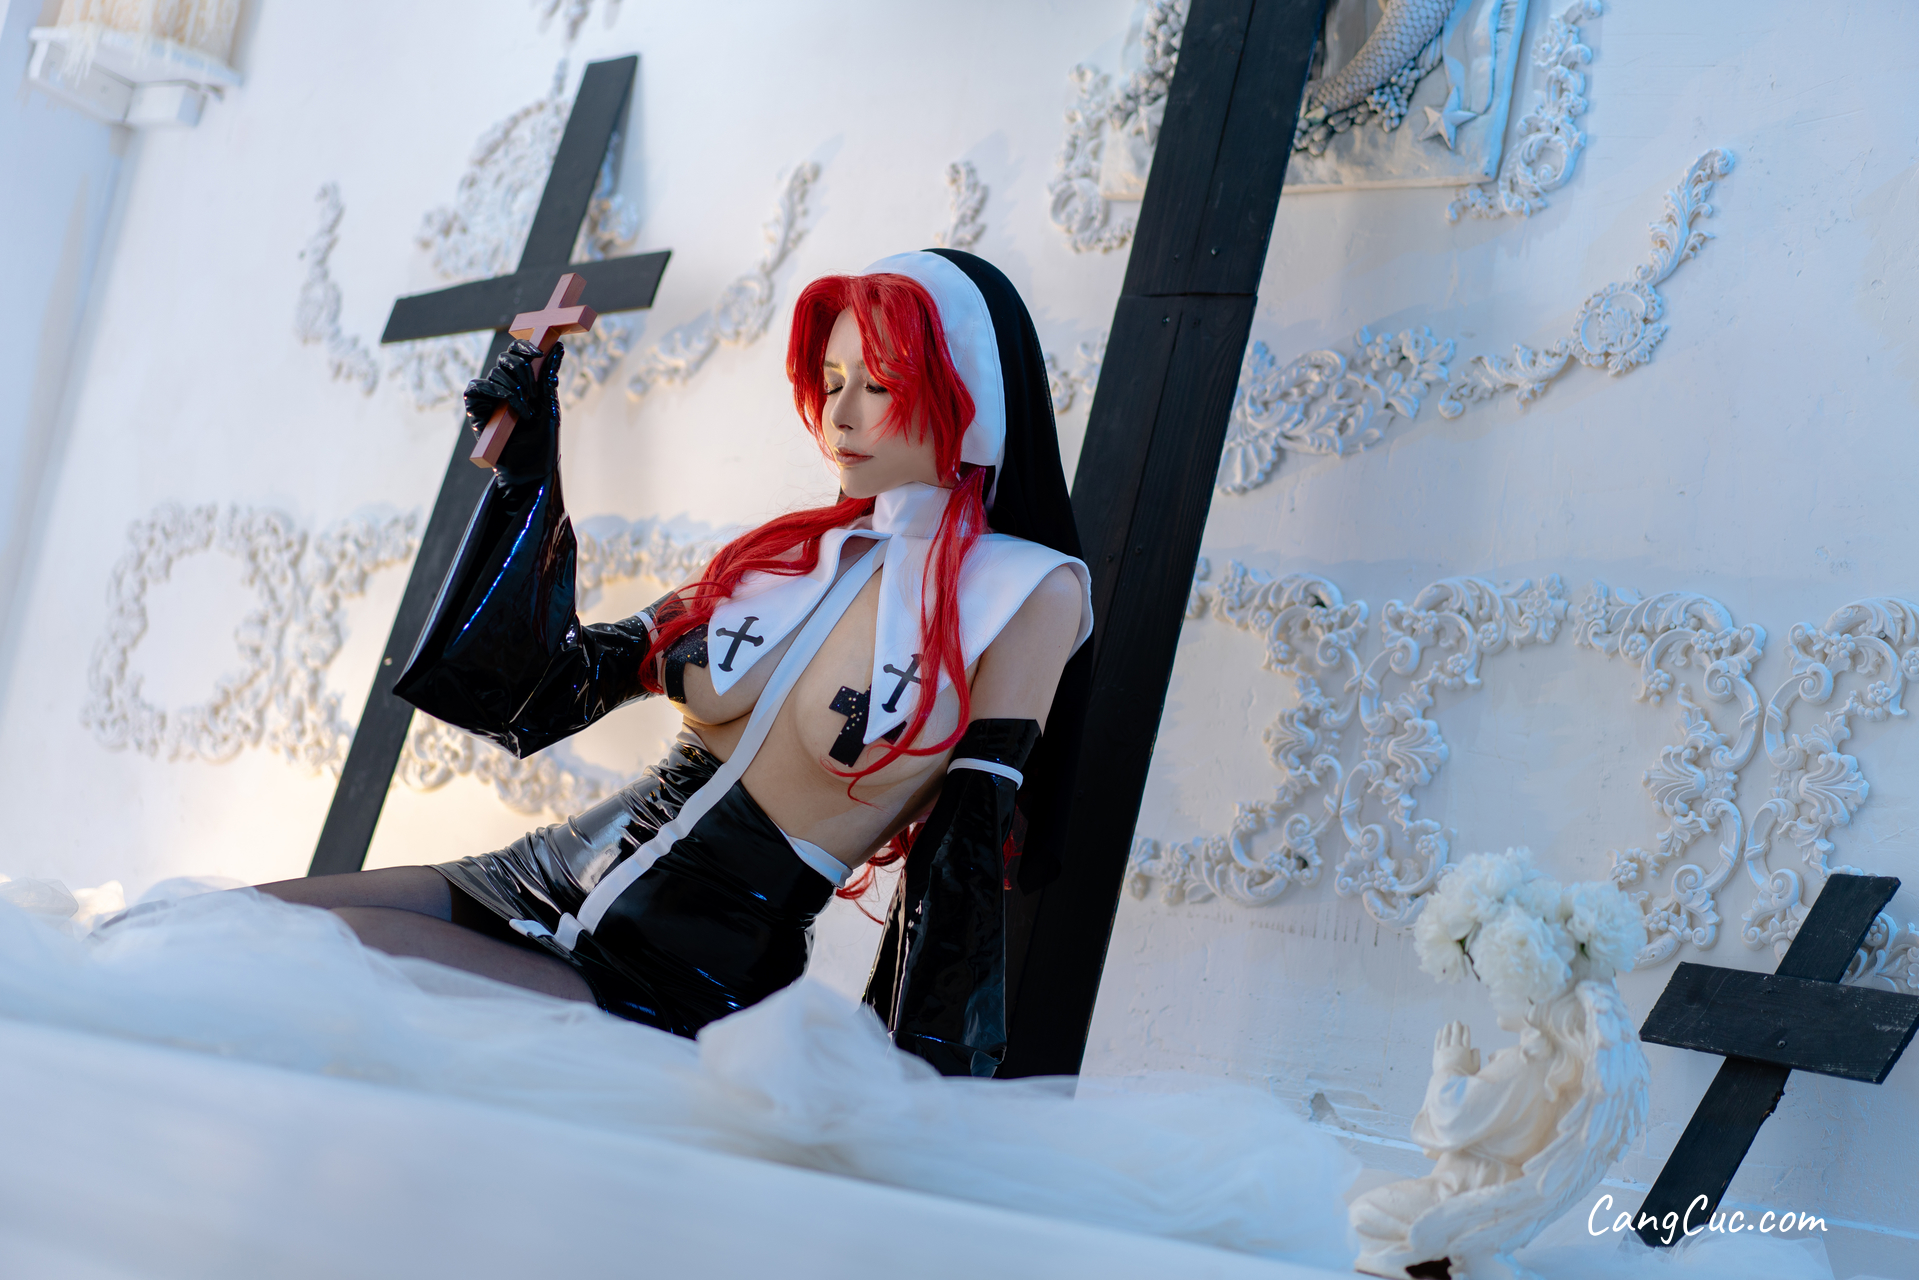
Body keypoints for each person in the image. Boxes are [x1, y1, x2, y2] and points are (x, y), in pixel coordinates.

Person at [257, 249, 1094, 1078]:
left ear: (967, 392)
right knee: (236, 929)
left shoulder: (1025, 591)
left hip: (678, 978)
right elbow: (546, 689)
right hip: (534, 877)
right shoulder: (788, 558)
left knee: (321, 958)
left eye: (877, 385)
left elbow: (962, 852)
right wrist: (527, 474)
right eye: (832, 381)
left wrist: (915, 1089)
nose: (840, 415)